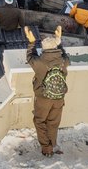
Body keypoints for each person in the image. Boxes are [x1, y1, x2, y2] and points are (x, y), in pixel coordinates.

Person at [26, 26, 69, 158]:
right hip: (59, 97)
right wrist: (59, 41)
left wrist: (32, 42)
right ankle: (52, 142)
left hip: (43, 98)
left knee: (39, 121)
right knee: (53, 122)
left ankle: (46, 148)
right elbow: (65, 54)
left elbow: (29, 56)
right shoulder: (64, 61)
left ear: (44, 49)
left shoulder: (39, 62)